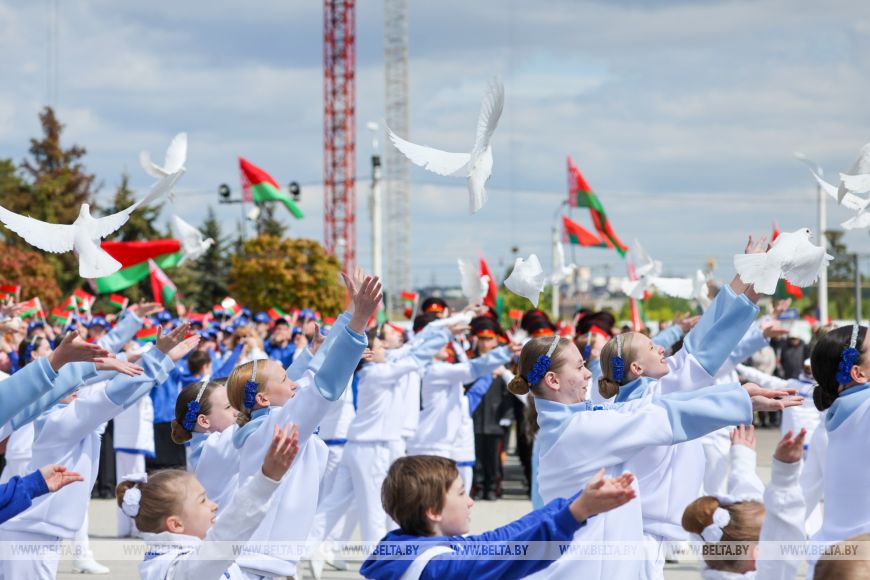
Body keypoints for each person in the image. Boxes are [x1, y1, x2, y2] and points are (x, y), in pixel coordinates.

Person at [507, 332, 794, 580]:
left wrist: (739, 397)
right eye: (581, 366)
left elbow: (658, 406)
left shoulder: (577, 421)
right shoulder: (580, 429)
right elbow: (659, 416)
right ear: (553, 380)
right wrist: (740, 400)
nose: (588, 374)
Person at [0, 324, 198, 579]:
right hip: (30, 534)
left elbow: (117, 397)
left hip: (35, 530)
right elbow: (113, 396)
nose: (77, 387)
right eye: (66, 385)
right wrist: (157, 358)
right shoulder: (61, 422)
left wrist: (162, 361)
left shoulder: (62, 415)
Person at [227, 274, 380, 579]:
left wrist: (349, 314)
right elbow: (321, 386)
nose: (293, 382)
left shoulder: (267, 422)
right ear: (262, 397)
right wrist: (359, 320)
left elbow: (310, 374)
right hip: (262, 567)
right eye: (285, 379)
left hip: (269, 562)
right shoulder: (276, 426)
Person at [360, 455, 636, 580]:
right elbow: (509, 557)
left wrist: (574, 504)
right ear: (433, 512)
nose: (470, 502)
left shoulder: (409, 544)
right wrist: (576, 513)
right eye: (460, 493)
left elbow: (501, 538)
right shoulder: (438, 569)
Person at [120, 424, 299, 580]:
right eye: (203, 500)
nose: (214, 506)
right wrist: (266, 479)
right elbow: (226, 535)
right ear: (176, 524)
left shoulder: (180, 556)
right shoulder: (179, 569)